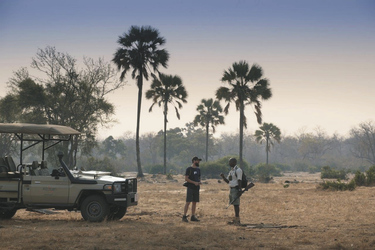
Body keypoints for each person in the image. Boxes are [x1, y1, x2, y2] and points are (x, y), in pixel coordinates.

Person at [220, 157, 243, 225]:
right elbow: (228, 181)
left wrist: (239, 190)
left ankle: (237, 219)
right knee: (234, 204)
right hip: (231, 189)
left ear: (234, 162)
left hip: (236, 189)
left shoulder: (238, 170)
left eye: (230, 162)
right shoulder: (231, 171)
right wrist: (223, 177)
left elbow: (239, 180)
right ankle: (236, 219)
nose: (229, 163)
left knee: (236, 205)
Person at [182, 156, 202, 222]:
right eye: (197, 160)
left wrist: (199, 182)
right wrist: (194, 182)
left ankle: (193, 216)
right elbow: (186, 178)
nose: (198, 162)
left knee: (194, 202)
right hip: (190, 187)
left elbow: (198, 177)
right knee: (188, 202)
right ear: (194, 161)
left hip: (196, 188)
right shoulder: (189, 169)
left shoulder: (198, 169)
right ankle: (184, 216)